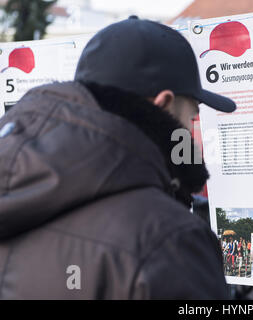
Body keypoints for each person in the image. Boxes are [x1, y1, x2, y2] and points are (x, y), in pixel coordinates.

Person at [0, 17, 236, 299]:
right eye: (192, 115)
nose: (191, 130)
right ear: (164, 105)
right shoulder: (169, 240)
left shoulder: (17, 190)